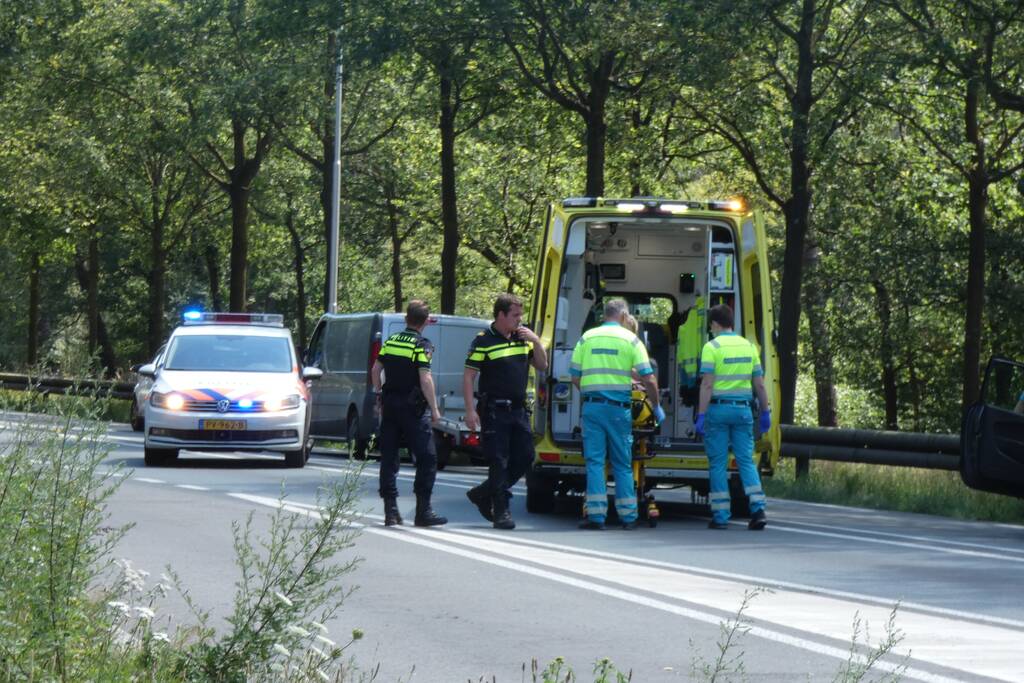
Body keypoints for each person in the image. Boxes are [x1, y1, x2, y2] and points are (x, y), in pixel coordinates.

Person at [570, 299, 664, 530]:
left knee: (594, 462)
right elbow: (648, 377)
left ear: (605, 315)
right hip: (618, 410)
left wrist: (593, 394)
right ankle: (628, 517)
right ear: (623, 315)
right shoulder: (631, 340)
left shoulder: (586, 338)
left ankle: (596, 517)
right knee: (622, 463)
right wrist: (656, 405)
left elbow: (574, 376)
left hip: (592, 408)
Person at [463, 293, 548, 530]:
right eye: (515, 315)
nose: (519, 320)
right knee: (498, 461)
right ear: (501, 315)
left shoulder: (523, 338)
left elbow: (542, 365)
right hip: (494, 410)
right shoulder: (483, 341)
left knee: (526, 457)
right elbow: (469, 376)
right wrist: (470, 410)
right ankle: (501, 511)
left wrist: (537, 342)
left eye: (521, 315)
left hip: (519, 411)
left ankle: (483, 492)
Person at [370, 299, 447, 527]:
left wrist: (379, 394)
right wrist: (434, 409)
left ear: (406, 319)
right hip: (413, 409)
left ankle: (390, 511)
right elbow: (425, 378)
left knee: (389, 458)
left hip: (390, 405)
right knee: (427, 457)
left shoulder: (392, 341)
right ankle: (423, 511)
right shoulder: (421, 345)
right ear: (426, 321)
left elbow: (376, 370)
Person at [694, 304, 771, 530]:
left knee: (717, 463)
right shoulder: (749, 347)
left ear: (715, 324)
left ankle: (720, 516)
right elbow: (759, 384)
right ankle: (758, 510)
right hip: (743, 410)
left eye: (711, 325)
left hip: (718, 411)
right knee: (746, 461)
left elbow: (707, 384)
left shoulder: (712, 347)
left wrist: (701, 414)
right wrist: (765, 412)